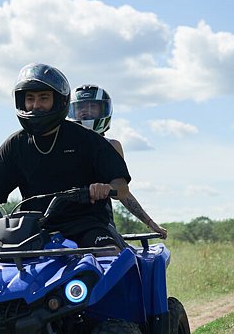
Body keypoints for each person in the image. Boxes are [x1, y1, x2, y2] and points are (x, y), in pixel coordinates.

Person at [0, 63, 133, 249]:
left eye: (43, 98)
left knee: (107, 254)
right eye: (30, 98)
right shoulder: (16, 144)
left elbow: (122, 187)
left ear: (60, 101)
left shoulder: (87, 139)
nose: (35, 105)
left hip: (86, 225)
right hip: (33, 228)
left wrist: (104, 188)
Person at [68, 84, 168, 238]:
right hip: (60, 219)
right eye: (80, 107)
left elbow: (121, 190)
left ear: (104, 110)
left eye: (92, 106)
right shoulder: (60, 144)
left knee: (112, 255)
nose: (85, 111)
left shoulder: (111, 146)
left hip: (97, 221)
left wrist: (149, 222)